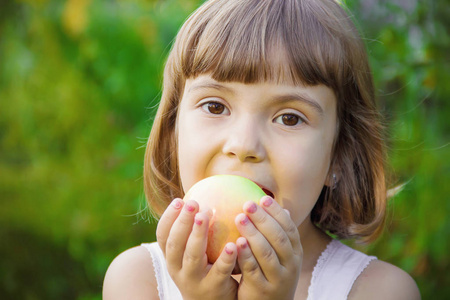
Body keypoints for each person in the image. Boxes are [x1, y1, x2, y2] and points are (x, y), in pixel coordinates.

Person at [103, 0, 421, 299]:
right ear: (174, 132)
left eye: (289, 118)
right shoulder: (137, 279)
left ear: (339, 155)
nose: (244, 146)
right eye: (214, 106)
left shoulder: (379, 290)